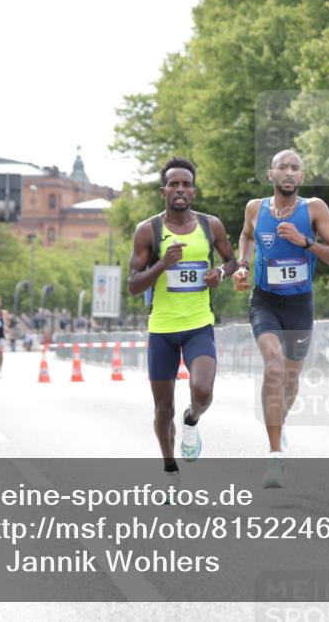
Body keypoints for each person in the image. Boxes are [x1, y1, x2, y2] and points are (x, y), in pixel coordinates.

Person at [233, 149, 329, 487]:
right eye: (282, 166)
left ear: (302, 177)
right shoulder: (255, 208)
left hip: (299, 304)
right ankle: (274, 456)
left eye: (295, 168)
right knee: (274, 366)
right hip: (265, 301)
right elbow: (247, 237)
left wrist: (305, 242)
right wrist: (242, 265)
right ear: (271, 174)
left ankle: (278, 430)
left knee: (291, 379)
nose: (288, 172)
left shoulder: (315, 209)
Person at [127, 157, 236, 489]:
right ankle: (170, 469)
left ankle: (192, 420)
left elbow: (233, 261)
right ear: (163, 191)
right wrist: (162, 264)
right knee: (163, 407)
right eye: (173, 184)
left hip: (198, 325)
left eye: (186, 184)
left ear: (194, 191)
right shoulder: (148, 230)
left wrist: (220, 273)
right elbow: (134, 285)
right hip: (162, 330)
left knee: (202, 391)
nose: (180, 189)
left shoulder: (210, 226)